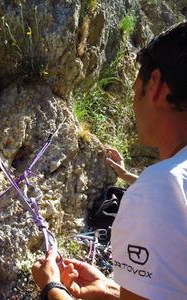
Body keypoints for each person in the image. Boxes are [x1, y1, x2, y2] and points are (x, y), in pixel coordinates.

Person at [32, 21, 187, 300]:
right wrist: (112, 290)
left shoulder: (162, 190)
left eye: (134, 86)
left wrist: (51, 288)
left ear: (155, 85)